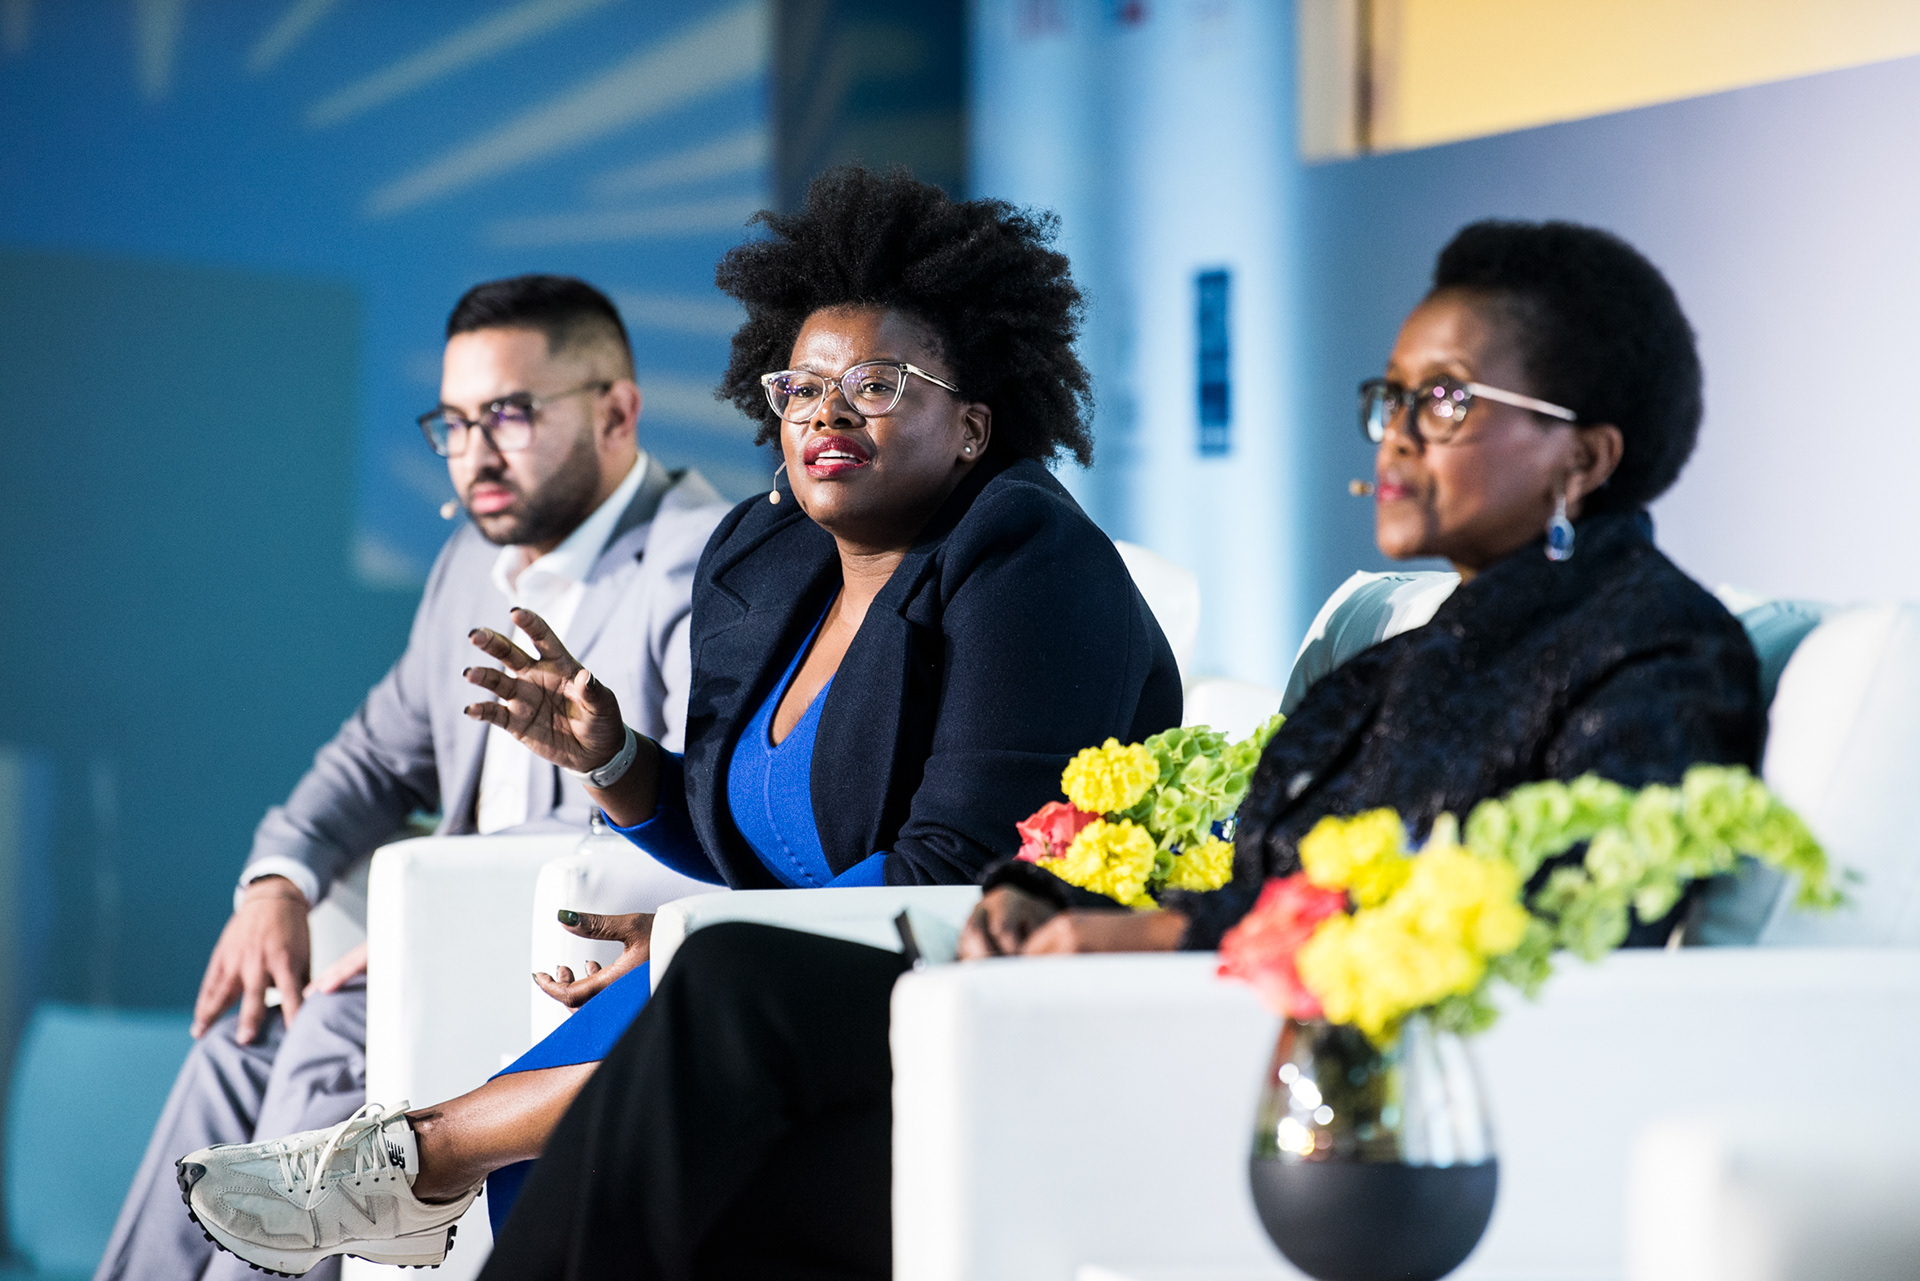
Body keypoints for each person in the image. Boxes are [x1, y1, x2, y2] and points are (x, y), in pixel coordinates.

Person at [422, 217, 1760, 1281]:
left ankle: (430, 1156)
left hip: (1303, 1105)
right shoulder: (1400, 655)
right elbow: (1247, 862)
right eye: (1391, 396)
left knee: (725, 1040)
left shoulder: (1655, 649)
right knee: (720, 1064)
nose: (1397, 435)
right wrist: (1040, 896)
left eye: (1449, 400)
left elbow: (1542, 920)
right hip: (1166, 1034)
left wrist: (1155, 936)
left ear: (1585, 459)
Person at [176, 166, 1183, 1276]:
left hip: (944, 996)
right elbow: (740, 834)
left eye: (878, 384)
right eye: (802, 388)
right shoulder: (770, 556)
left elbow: (959, 867)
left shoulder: (1029, 563)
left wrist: (698, 938)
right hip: (774, 984)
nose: (827, 413)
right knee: (669, 1037)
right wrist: (611, 757)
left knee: (681, 1031)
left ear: (973, 425)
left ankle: (423, 1154)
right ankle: (423, 1161)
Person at [97, 275, 729, 1281]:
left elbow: (698, 803)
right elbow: (374, 755)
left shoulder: (699, 563)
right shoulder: (471, 566)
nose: (476, 453)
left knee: (330, 1027)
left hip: (571, 964)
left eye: (510, 415)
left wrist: (416, 921)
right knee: (243, 1026)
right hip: (441, 935)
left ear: (617, 412)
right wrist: (279, 885)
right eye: (456, 423)